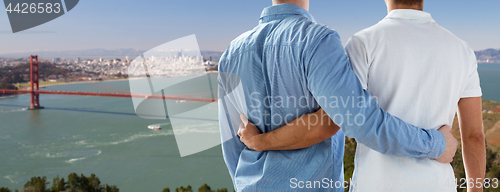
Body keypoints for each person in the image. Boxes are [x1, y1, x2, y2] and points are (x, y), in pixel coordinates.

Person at [238, 0, 485, 191]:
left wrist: (261, 141)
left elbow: (332, 119)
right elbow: (474, 137)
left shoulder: (363, 42)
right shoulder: (462, 50)